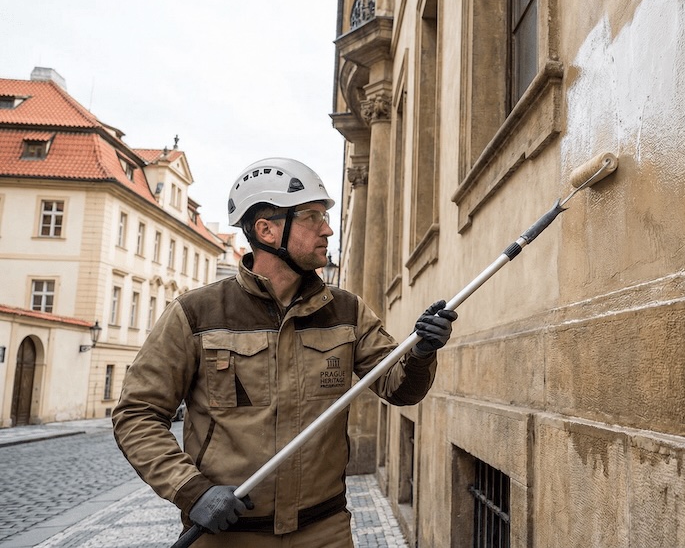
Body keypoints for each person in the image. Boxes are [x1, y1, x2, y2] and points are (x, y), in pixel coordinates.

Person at [112, 158, 457, 547]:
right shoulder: (196, 313)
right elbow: (137, 414)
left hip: (323, 531)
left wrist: (421, 351)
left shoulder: (346, 311)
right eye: (312, 217)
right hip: (227, 534)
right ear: (267, 230)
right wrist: (191, 490)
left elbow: (401, 390)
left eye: (324, 217)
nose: (327, 229)